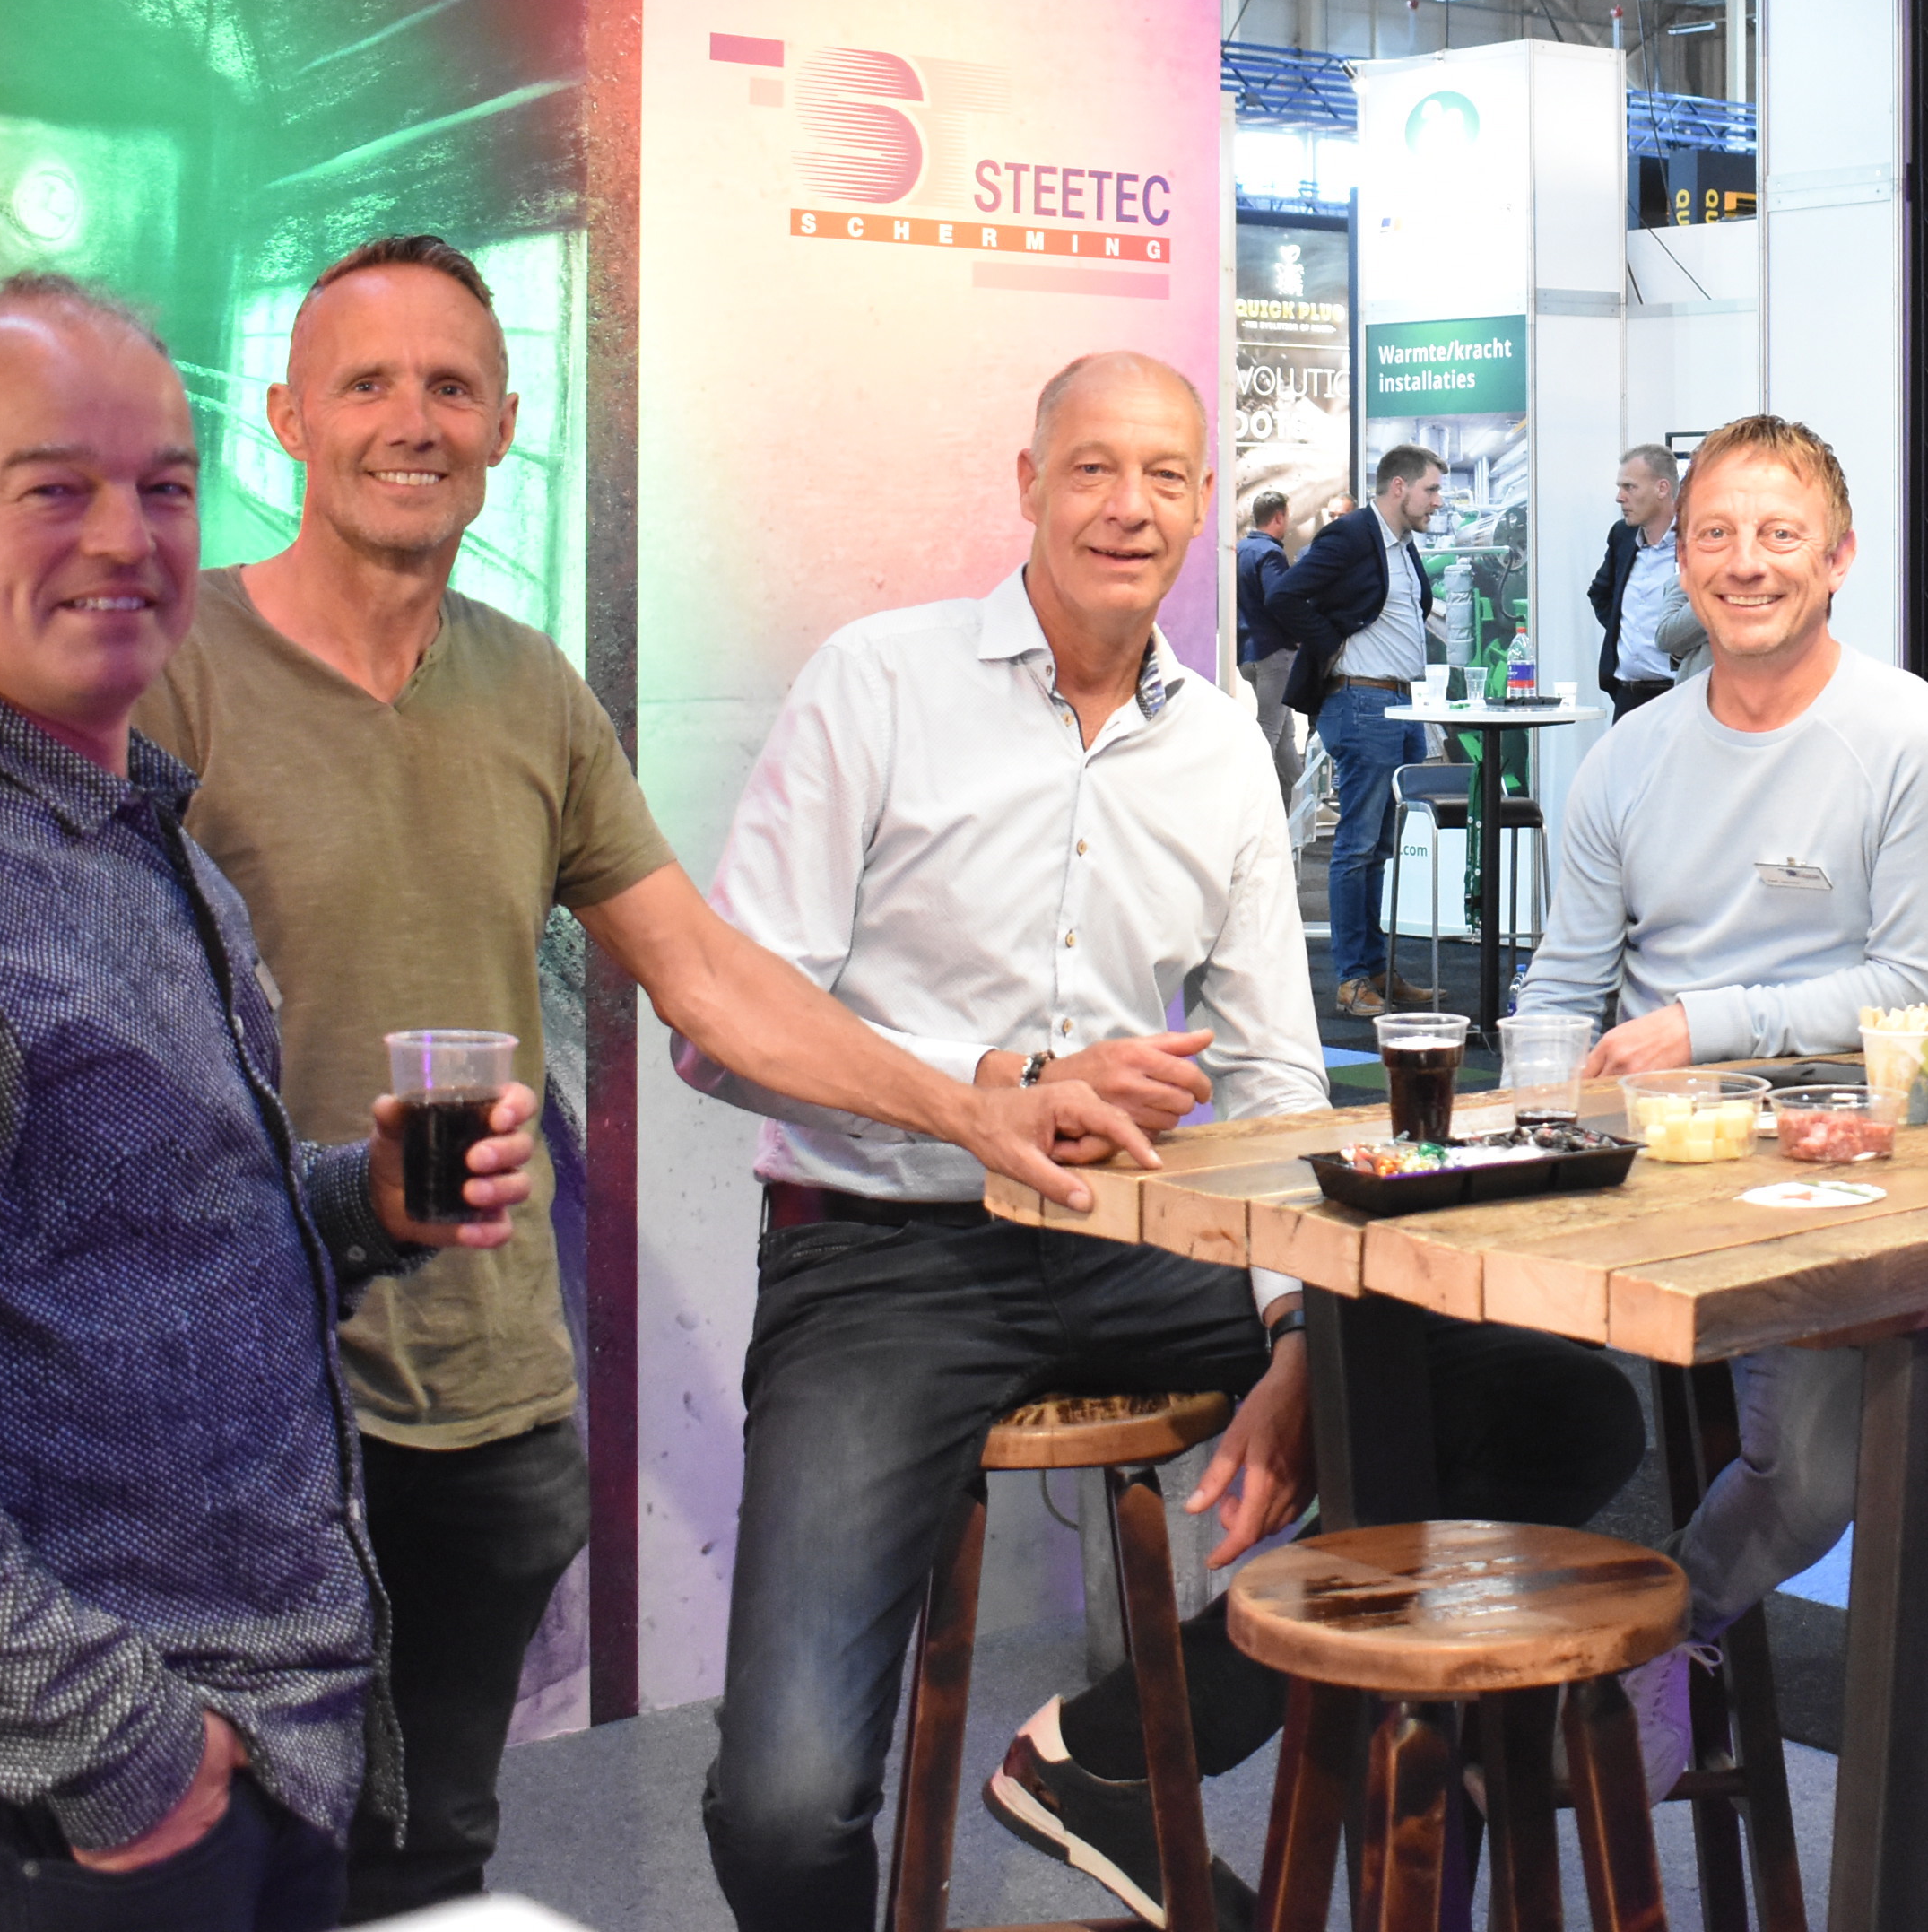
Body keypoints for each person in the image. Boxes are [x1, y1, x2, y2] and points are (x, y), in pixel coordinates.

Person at [135, 236, 1141, 1919]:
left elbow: (715, 984)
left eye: (451, 386)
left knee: (430, 1870)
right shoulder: (173, 675)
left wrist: (972, 1107)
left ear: (506, 421)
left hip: (481, 1396)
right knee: (224, 1873)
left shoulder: (528, 689)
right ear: (290, 418)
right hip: (236, 1407)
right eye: (367, 384)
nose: (413, 420)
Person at [692, 353, 1645, 1932]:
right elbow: (723, 1026)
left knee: (1556, 1410)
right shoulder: (876, 685)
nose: (1127, 507)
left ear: (1205, 503)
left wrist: (1299, 1333)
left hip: (1137, 1238)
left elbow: (1272, 1082)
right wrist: (991, 1081)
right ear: (1028, 485)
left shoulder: (1219, 745)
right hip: (883, 1259)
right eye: (1092, 468)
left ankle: (1128, 1750)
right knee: (787, 1805)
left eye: (1163, 476)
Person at [0, 274, 543, 1932]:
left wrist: (363, 1205)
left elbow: (126, 1250)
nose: (126, 538)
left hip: (220, 1761)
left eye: (163, 486)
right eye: (52, 489)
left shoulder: (133, 837)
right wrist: (129, 1758)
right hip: (23, 1824)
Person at [1515, 416, 1928, 1653]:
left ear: (1838, 558)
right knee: (1428, 1382)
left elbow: (1914, 996)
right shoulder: (1627, 757)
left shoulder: (1914, 739)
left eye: (1780, 534)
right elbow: (1563, 983)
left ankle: (1652, 1651)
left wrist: (1699, 1027)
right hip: (1640, 1157)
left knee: (1810, 1478)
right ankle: (1465, 1678)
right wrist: (1516, 1121)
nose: (1745, 562)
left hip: (1830, 1152)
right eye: (1714, 534)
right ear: (1677, 558)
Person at [1267, 444, 1448, 1017]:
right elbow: (1284, 595)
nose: (1437, 501)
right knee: (1358, 845)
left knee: (1379, 848)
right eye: (1431, 490)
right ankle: (1351, 978)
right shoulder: (1351, 536)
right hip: (1363, 703)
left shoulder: (1402, 545)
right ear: (1399, 487)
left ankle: (1375, 970)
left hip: (1399, 706)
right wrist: (1331, 645)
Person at [1587, 443, 1685, 717]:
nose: (1620, 498)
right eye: (1620, 487)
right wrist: (1629, 633)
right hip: (1628, 696)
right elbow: (1600, 594)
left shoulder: (1697, 539)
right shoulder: (1623, 536)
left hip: (1681, 695)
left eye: (1629, 487)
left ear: (1662, 488)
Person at [1233, 488, 1300, 798]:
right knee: (1270, 732)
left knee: (1285, 734)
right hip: (1273, 652)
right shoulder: (1270, 553)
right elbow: (1280, 600)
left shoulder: (1239, 550)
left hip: (1247, 651)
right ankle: (1252, 803)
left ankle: (1304, 800)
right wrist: (1300, 634)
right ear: (1279, 517)